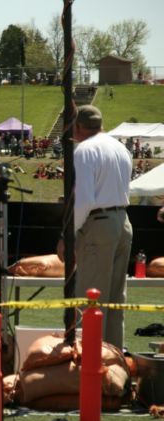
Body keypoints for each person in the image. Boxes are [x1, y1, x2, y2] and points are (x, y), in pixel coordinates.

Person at [57, 105, 132, 349]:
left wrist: (68, 236)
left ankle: (86, 364)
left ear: (77, 127)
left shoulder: (84, 151)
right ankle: (113, 363)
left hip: (98, 225)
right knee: (114, 301)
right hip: (122, 222)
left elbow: (85, 200)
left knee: (89, 299)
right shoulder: (120, 148)